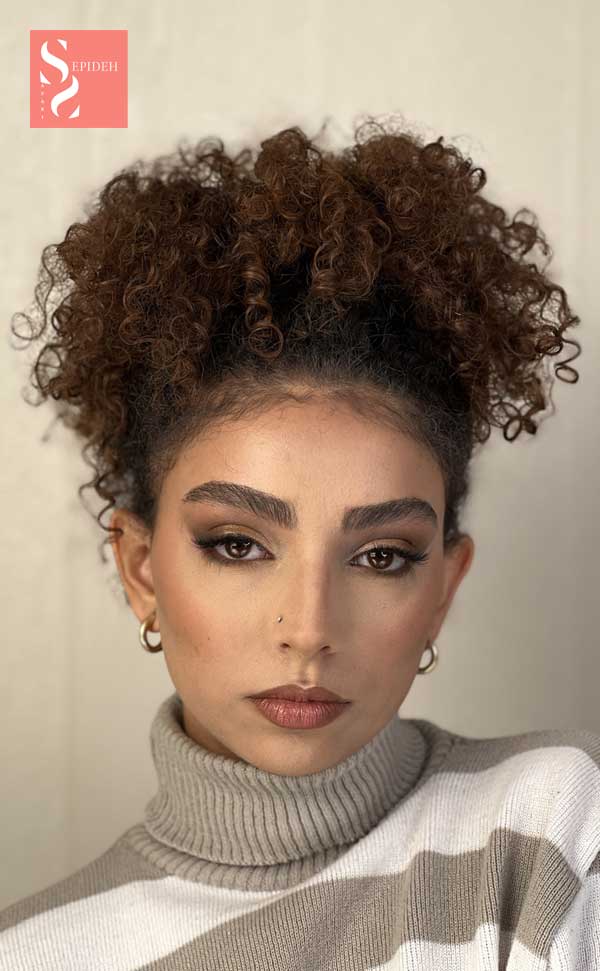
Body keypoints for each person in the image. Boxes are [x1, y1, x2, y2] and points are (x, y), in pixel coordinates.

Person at [2, 115, 598, 969]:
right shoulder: (36, 952)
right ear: (141, 569)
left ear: (444, 586)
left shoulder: (559, 836)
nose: (310, 627)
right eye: (238, 544)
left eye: (382, 555)